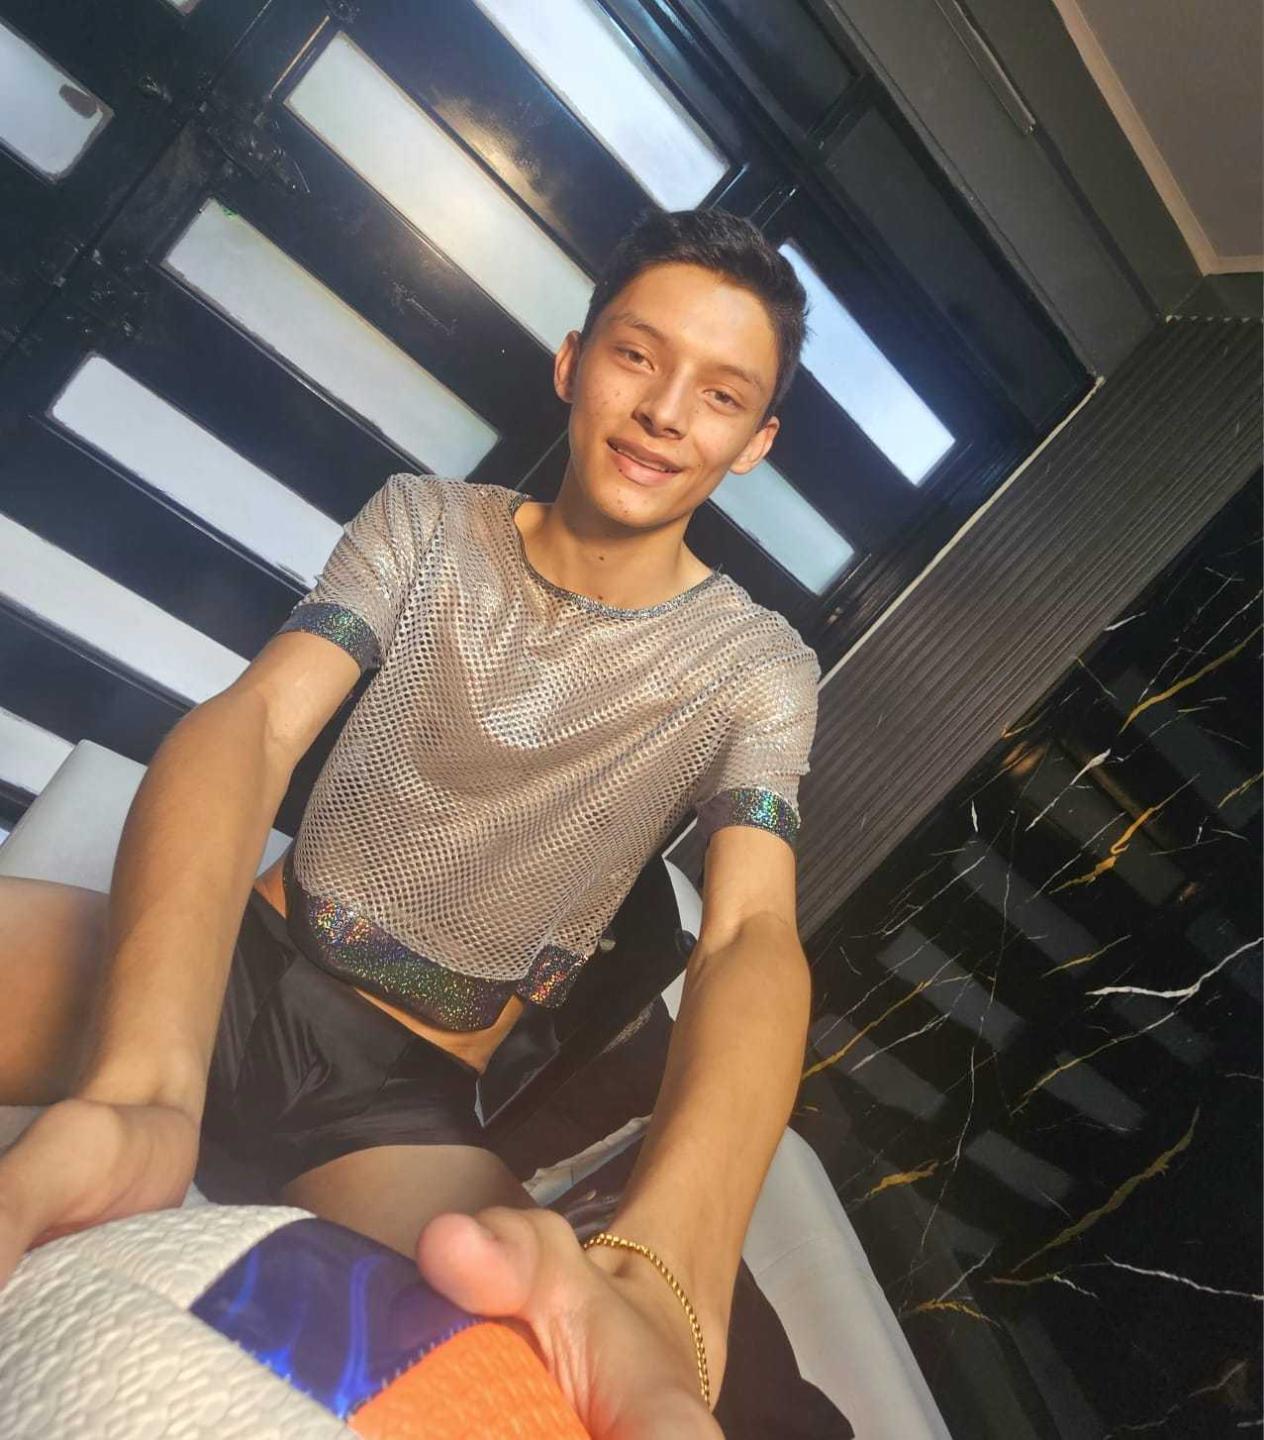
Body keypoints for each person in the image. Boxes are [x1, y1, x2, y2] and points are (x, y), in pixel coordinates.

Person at [0, 208, 820, 1437]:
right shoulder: (424, 523)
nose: (663, 411)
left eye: (718, 394)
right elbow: (260, 722)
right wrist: (143, 1083)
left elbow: (751, 934)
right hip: (220, 971)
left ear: (753, 443)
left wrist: (672, 1262)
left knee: (578, 1398)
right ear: (572, 362)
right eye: (636, 356)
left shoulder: (756, 667)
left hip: (392, 1104)